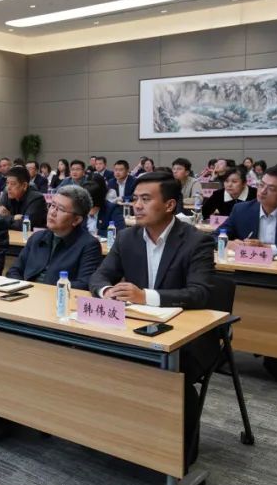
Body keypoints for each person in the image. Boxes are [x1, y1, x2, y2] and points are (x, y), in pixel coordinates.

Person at [88, 171, 217, 464]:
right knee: (92, 355)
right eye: (135, 199)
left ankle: (176, 458)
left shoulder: (197, 241)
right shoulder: (127, 238)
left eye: (146, 199)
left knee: (171, 374)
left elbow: (200, 294)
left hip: (187, 335)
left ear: (170, 205)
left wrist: (145, 296)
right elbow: (99, 276)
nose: (137, 205)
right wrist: (107, 291)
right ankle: (114, 437)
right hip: (136, 329)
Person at [0, 184, 103, 443]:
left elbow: (84, 285)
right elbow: (14, 270)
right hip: (22, 306)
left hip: (56, 317)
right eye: (51, 206)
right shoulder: (37, 238)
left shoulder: (88, 245)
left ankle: (9, 412)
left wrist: (40, 295)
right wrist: (22, 290)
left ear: (77, 219)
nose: (52, 212)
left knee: (19, 349)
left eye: (60, 209)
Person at [0, 166, 47, 231]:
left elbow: (24, 225)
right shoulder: (7, 194)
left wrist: (6, 218)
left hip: (32, 236)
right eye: (7, 183)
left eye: (12, 184)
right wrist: (13, 218)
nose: (8, 187)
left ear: (24, 186)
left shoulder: (37, 199)